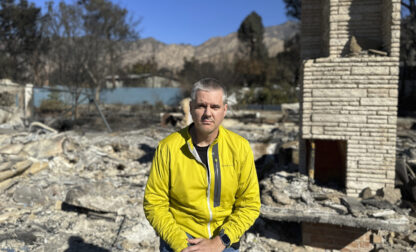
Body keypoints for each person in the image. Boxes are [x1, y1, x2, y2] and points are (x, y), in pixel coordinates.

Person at [143, 78, 260, 252]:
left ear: (224, 110)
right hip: (181, 239)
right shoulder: (168, 148)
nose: (208, 113)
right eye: (201, 106)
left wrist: (220, 241)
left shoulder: (239, 147)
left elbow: (250, 204)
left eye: (215, 107)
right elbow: (154, 203)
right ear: (190, 108)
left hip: (224, 238)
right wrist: (182, 245)